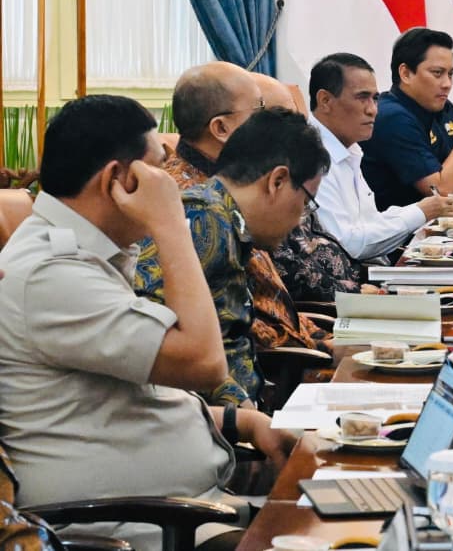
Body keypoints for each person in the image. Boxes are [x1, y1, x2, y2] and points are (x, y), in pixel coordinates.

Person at [0, 96, 292, 551]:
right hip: (142, 526)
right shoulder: (50, 276)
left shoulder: (85, 255)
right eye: (159, 169)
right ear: (118, 179)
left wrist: (245, 422)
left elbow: (116, 400)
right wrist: (170, 223)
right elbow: (204, 363)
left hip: (193, 504)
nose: (170, 182)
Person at [135, 108, 330, 406]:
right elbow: (160, 345)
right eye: (305, 202)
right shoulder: (203, 220)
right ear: (277, 181)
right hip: (213, 424)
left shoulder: (225, 220)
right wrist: (243, 416)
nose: (298, 221)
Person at [149, 62, 326, 356]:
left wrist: (325, 342)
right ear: (220, 128)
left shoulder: (228, 196)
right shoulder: (198, 213)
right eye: (260, 110)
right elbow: (228, 338)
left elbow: (270, 305)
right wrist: (322, 349)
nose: (271, 125)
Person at [307, 53, 451, 260]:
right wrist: (421, 212)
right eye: (362, 97)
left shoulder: (348, 148)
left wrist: (427, 209)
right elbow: (346, 245)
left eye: (375, 98)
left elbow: (369, 222)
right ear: (325, 100)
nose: (373, 110)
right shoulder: (310, 155)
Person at [361, 28, 453, 205]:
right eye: (437, 73)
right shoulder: (393, 118)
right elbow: (442, 190)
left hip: (435, 217)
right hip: (398, 222)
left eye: (450, 74)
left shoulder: (440, 106)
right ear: (406, 73)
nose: (447, 84)